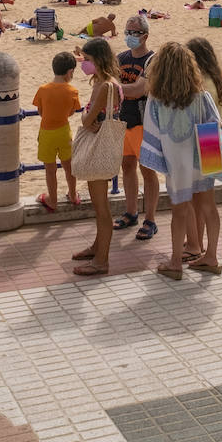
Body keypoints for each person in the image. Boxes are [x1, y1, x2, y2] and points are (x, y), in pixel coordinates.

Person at [139, 43, 221, 281]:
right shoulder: (202, 97)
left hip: (176, 165)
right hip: (202, 159)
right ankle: (211, 256)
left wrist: (161, 162)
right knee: (208, 207)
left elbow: (151, 135)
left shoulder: (156, 101)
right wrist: (212, 163)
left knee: (179, 212)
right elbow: (213, 127)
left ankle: (176, 261)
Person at [70, 38, 123, 277]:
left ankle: (102, 260)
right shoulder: (110, 83)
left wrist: (86, 117)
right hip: (104, 144)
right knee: (99, 205)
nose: (85, 64)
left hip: (98, 148)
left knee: (101, 208)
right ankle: (97, 247)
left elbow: (87, 119)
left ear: (98, 60)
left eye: (88, 60)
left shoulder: (104, 87)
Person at [181, 37, 222, 272]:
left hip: (202, 139)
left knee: (192, 199)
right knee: (203, 201)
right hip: (211, 140)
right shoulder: (215, 79)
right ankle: (197, 245)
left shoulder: (202, 84)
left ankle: (199, 248)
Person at [113, 16, 159, 240]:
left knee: (147, 170)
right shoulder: (121, 58)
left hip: (143, 122)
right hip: (123, 120)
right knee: (127, 166)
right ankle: (131, 211)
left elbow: (138, 90)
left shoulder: (152, 60)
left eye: (135, 32)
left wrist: (114, 86)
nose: (130, 36)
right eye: (128, 31)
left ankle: (150, 219)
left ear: (145, 35)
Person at [33, 52, 82, 212]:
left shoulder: (43, 89)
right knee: (69, 166)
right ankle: (73, 195)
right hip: (64, 131)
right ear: (69, 72)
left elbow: (40, 111)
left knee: (50, 169)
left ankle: (52, 200)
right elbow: (72, 112)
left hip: (46, 132)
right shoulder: (72, 91)